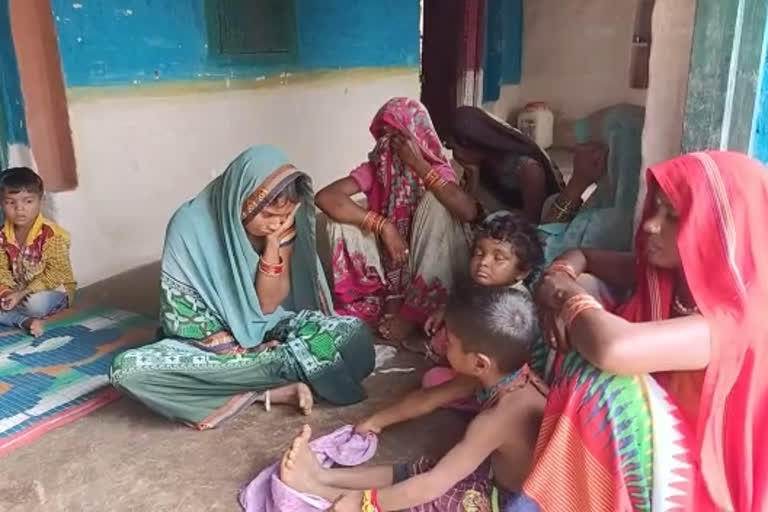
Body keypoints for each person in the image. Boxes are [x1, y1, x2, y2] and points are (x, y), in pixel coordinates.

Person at [522, 152, 768, 511]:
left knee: (602, 379)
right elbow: (582, 256)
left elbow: (612, 348)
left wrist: (562, 292)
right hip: (658, 440)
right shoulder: (670, 276)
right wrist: (560, 283)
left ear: (721, 228)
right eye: (656, 208)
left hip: (694, 482)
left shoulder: (736, 317)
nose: (651, 225)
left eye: (674, 217)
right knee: (584, 295)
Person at [110, 146, 375, 429]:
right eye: (269, 216)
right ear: (241, 201)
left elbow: (266, 307)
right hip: (207, 347)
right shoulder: (188, 227)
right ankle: (272, 384)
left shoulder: (280, 225)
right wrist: (251, 355)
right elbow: (184, 324)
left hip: (267, 331)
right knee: (129, 371)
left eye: (283, 217)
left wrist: (273, 244)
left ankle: (260, 378)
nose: (276, 223)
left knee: (354, 336)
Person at [279, 284, 546, 511]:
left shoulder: (495, 420)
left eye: (449, 342)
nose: (441, 345)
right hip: (498, 476)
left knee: (427, 495)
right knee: (422, 470)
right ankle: (322, 475)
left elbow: (430, 487)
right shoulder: (507, 375)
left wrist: (364, 503)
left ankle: (315, 488)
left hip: (507, 502)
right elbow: (429, 398)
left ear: (479, 363)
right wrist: (376, 420)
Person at [316, 98, 480, 342]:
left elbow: (469, 212)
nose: (389, 142)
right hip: (393, 259)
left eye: (398, 134)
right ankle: (368, 300)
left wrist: (418, 165)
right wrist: (383, 226)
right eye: (384, 133)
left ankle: (416, 311)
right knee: (339, 222)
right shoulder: (379, 169)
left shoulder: (438, 170)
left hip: (435, 263)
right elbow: (325, 198)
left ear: (417, 137)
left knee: (436, 202)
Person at [421, 212, 544, 411]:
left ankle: (479, 399)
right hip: (481, 359)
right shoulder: (489, 284)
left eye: (499, 258)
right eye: (479, 253)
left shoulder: (512, 306)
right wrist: (446, 311)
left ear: (522, 272)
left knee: (432, 380)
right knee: (441, 338)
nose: (484, 262)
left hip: (502, 377)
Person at [451, 106, 608, 223]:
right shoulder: (482, 164)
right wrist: (474, 174)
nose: (456, 154)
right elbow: (468, 213)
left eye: (458, 146)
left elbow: (534, 222)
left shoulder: (527, 168)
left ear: (479, 143)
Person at [0, 167, 75, 336]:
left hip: (51, 291)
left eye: (28, 201)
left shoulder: (53, 235)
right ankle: (25, 322)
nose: (20, 209)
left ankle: (21, 313)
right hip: (17, 290)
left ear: (40, 200)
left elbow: (57, 274)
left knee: (35, 305)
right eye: (11, 202)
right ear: (1, 203)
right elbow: (1, 269)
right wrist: (7, 292)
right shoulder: (3, 235)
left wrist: (22, 294)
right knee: (10, 300)